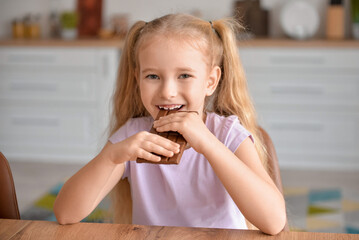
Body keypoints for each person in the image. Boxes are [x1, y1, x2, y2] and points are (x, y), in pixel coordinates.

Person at [53, 13, 286, 235]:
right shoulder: (133, 138)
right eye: (152, 76)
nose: (167, 92)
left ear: (210, 81)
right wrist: (110, 157)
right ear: (138, 79)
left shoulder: (228, 135)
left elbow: (274, 221)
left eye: (184, 75)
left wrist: (208, 144)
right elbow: (65, 214)